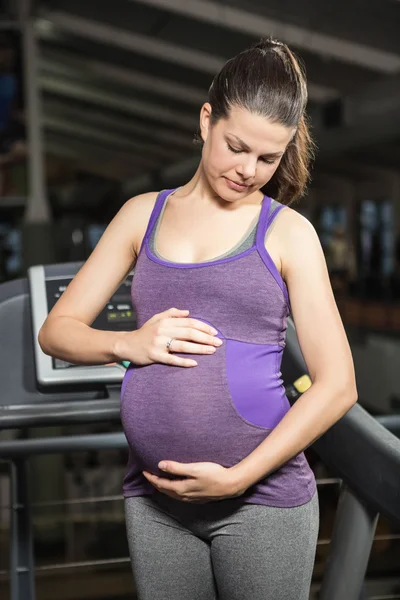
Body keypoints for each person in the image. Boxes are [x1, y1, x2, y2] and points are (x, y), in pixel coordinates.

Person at [38, 38, 357, 600]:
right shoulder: (141, 215)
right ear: (207, 119)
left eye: (268, 158)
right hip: (155, 499)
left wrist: (238, 477)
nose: (248, 170)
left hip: (260, 500)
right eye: (237, 147)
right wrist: (130, 343)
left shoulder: (288, 234)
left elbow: (338, 387)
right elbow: (56, 332)